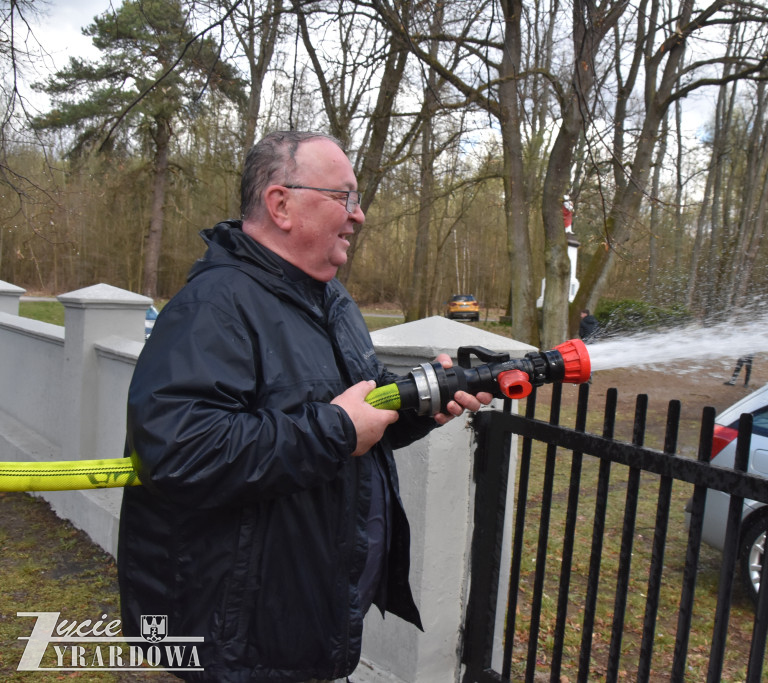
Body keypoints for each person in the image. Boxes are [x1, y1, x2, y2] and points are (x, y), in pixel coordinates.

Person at [116, 131, 492, 683]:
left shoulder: (332, 301)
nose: (359, 215)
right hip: (236, 635)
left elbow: (347, 412)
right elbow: (178, 450)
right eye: (344, 197)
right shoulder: (213, 306)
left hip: (303, 617)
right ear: (281, 203)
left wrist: (417, 402)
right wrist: (338, 429)